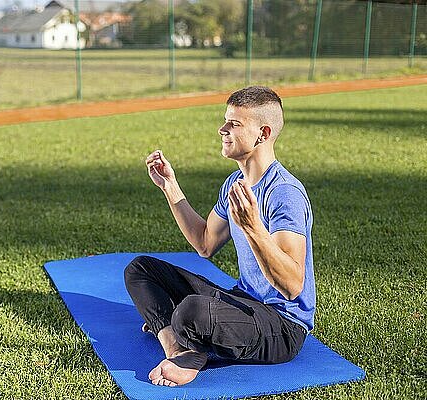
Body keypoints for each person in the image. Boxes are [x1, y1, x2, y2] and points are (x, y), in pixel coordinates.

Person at [124, 86, 316, 387]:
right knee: (141, 270)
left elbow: (292, 286)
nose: (222, 129)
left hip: (282, 327)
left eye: (234, 124)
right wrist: (170, 187)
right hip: (243, 300)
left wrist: (253, 228)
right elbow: (205, 243)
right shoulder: (234, 183)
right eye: (225, 121)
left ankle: (188, 341)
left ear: (263, 134)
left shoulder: (284, 194)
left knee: (191, 311)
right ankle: (177, 344)